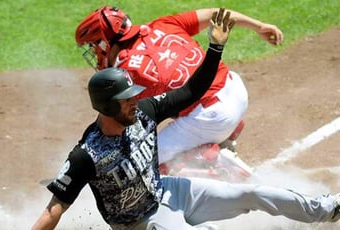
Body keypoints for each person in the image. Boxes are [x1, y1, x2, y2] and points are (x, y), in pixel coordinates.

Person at [32, 9, 340, 230]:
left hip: (172, 186)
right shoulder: (86, 155)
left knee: (250, 194)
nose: (137, 99)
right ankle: (214, 149)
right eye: (129, 97)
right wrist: (72, 176)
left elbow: (192, 89)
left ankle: (324, 208)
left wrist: (216, 48)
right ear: (109, 106)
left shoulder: (145, 111)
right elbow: (53, 209)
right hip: (143, 218)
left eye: (136, 94)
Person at [74, 5, 284, 165]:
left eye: (93, 46)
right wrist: (259, 26)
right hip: (237, 90)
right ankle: (223, 136)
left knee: (143, 161)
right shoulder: (162, 25)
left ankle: (207, 161)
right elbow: (217, 14)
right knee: (180, 102)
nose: (93, 52)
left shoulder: (125, 71)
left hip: (214, 118)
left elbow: (124, 126)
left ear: (103, 43)